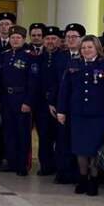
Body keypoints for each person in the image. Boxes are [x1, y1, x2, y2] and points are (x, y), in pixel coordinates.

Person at [57, 35, 104, 196]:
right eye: (83, 48)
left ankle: (94, 179)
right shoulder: (73, 64)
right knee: (80, 149)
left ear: (97, 48)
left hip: (99, 115)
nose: (86, 50)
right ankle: (82, 178)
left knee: (94, 150)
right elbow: (65, 90)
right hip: (78, 114)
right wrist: (61, 111)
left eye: (90, 47)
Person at [0, 26, 37, 175]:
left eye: (18, 37)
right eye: (12, 37)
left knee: (22, 133)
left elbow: (33, 82)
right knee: (8, 132)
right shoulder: (4, 55)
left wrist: (28, 102)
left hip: (21, 99)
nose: (15, 40)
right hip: (6, 99)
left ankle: (22, 164)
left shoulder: (29, 56)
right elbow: (0, 80)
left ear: (24, 39)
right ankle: (11, 161)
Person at [52, 23, 85, 184]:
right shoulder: (60, 56)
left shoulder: (86, 56)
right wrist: (52, 102)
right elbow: (52, 81)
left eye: (74, 37)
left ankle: (78, 173)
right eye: (68, 37)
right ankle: (62, 172)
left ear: (81, 39)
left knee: (78, 140)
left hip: (80, 106)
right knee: (62, 140)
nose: (70, 40)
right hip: (61, 105)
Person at [30, 25, 63, 176]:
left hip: (58, 104)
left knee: (59, 137)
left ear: (59, 40)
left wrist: (53, 100)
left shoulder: (64, 57)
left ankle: (60, 166)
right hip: (41, 104)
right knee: (44, 136)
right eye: (47, 38)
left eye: (53, 38)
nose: (50, 41)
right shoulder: (37, 57)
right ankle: (46, 165)